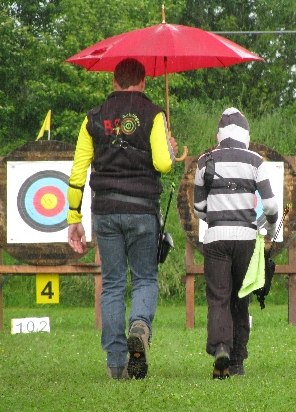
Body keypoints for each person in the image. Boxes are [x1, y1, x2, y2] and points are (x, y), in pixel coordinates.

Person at [66, 58, 177, 380]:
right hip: (142, 209)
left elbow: (77, 172)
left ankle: (116, 363)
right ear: (143, 82)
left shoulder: (93, 118)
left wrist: (74, 217)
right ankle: (140, 325)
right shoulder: (154, 113)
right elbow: (163, 164)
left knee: (112, 284)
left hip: (105, 211)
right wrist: (169, 150)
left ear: (114, 82)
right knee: (144, 278)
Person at [193, 108, 278, 379]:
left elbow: (198, 209)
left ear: (219, 134)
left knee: (219, 298)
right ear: (246, 133)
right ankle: (238, 361)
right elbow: (271, 205)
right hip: (246, 240)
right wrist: (269, 226)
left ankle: (221, 348)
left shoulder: (204, 160)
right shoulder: (255, 161)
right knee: (241, 300)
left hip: (216, 238)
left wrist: (216, 218)